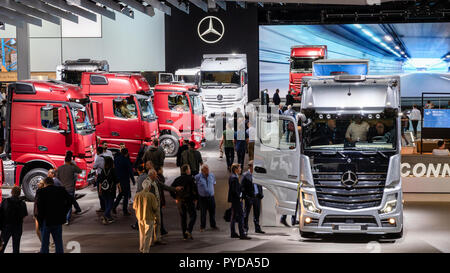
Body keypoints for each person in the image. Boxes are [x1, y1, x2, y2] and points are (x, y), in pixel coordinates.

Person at [35, 177, 72, 253]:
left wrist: (39, 220)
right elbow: (70, 200)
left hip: (46, 220)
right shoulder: (60, 190)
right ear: (53, 182)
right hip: (58, 219)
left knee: (45, 244)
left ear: (45, 183)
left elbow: (39, 207)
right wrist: (64, 211)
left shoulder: (41, 192)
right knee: (58, 242)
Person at [171, 164, 198, 240]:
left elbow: (171, 188)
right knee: (193, 215)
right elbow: (194, 189)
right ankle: (189, 230)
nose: (190, 170)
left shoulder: (177, 179)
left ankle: (185, 236)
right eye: (189, 169)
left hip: (180, 201)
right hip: (189, 200)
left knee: (183, 218)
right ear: (186, 170)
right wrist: (196, 198)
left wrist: (175, 197)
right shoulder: (190, 179)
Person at [57, 151, 82, 225]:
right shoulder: (72, 168)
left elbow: (57, 178)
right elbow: (80, 171)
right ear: (70, 160)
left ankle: (64, 218)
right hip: (70, 188)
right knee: (69, 204)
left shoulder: (60, 168)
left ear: (64, 160)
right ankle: (67, 219)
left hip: (62, 189)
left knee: (63, 204)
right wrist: (72, 164)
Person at [133, 179, 159, 253]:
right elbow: (155, 207)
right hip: (149, 217)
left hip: (140, 217)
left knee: (141, 234)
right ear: (149, 187)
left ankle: (141, 248)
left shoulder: (137, 195)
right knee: (148, 235)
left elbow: (134, 207)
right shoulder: (151, 196)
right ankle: (146, 250)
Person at [0, 186, 28, 253]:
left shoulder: (5, 201)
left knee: (2, 245)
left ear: (12, 192)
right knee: (16, 246)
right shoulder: (22, 203)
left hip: (6, 226)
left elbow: (1, 213)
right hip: (18, 226)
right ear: (19, 193)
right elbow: (24, 215)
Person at [240, 161, 265, 234]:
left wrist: (261, 194)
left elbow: (260, 184)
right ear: (250, 167)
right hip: (249, 197)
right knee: (246, 214)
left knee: (257, 213)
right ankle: (245, 228)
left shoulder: (257, 175)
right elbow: (242, 187)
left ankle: (257, 228)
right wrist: (245, 196)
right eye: (254, 167)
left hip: (257, 197)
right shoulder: (245, 175)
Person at [228, 163, 250, 240]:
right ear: (235, 169)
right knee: (240, 216)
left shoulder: (233, 177)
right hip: (236, 200)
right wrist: (240, 197)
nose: (241, 169)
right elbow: (235, 191)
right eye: (239, 168)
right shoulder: (234, 178)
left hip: (234, 200)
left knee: (233, 216)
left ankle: (233, 233)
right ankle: (242, 234)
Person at [113, 148, 136, 216]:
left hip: (118, 179)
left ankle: (114, 206)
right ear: (127, 153)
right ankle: (125, 210)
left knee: (121, 193)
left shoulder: (116, 159)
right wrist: (133, 180)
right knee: (125, 195)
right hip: (125, 180)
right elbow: (130, 171)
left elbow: (114, 169)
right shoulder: (126, 160)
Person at [195, 164, 218, 232]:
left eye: (208, 169)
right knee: (203, 213)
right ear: (202, 170)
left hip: (211, 197)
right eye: (206, 169)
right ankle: (202, 227)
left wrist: (210, 191)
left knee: (212, 212)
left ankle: (213, 225)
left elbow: (214, 183)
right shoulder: (198, 177)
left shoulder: (212, 175)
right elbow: (195, 185)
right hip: (203, 198)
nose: (207, 171)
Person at [97, 156, 119, 224]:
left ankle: (109, 218)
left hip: (104, 189)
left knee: (107, 203)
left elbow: (100, 181)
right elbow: (116, 180)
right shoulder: (113, 170)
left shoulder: (102, 170)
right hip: (111, 189)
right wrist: (119, 188)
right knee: (111, 204)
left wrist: (100, 190)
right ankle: (105, 215)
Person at [93, 146, 106, 212]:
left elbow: (94, 167)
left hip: (100, 176)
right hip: (106, 175)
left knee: (100, 192)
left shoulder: (98, 158)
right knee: (105, 190)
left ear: (98, 151)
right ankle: (106, 206)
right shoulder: (105, 157)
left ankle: (103, 207)